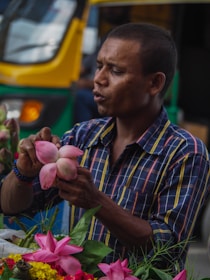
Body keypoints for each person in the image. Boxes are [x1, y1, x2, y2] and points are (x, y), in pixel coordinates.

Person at [0, 22, 209, 273]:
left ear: (154, 83)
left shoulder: (185, 152)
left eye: (116, 71)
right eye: (99, 66)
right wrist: (24, 172)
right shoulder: (83, 136)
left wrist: (96, 201)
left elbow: (168, 247)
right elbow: (12, 207)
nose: (98, 79)